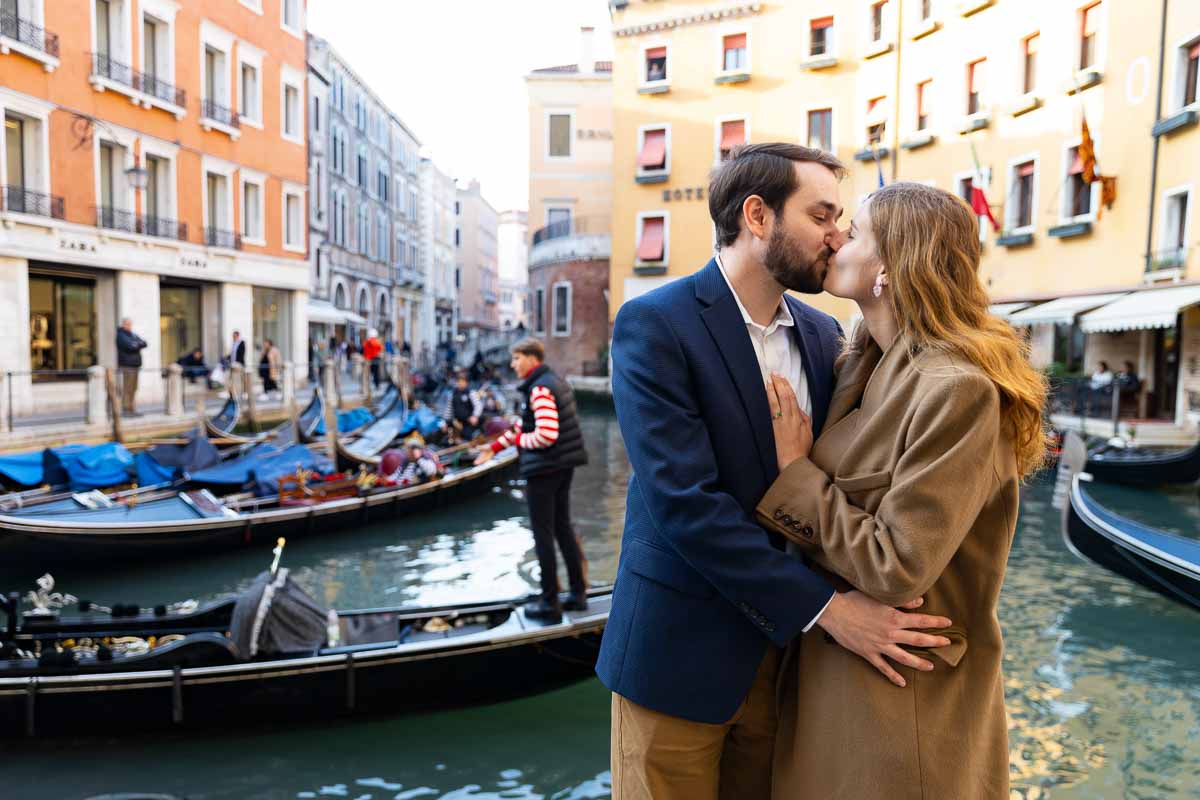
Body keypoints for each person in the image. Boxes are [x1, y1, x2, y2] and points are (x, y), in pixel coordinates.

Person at [597, 144, 952, 799]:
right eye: (821, 215)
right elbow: (685, 505)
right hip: (676, 656)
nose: (838, 234)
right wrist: (830, 610)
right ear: (757, 216)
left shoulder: (826, 339)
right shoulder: (654, 323)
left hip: (792, 670)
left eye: (843, 218)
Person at [759, 182, 1047, 798]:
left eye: (855, 231)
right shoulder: (860, 363)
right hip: (837, 681)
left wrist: (796, 473)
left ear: (891, 263)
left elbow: (898, 564)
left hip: (901, 707)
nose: (837, 237)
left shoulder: (957, 388)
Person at [474, 338, 588, 621]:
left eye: (516, 358)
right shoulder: (554, 382)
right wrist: (494, 447)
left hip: (545, 470)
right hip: (562, 466)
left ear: (531, 359)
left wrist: (522, 443)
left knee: (543, 535)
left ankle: (550, 601)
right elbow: (523, 425)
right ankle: (577, 594)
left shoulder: (539, 389)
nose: (512, 364)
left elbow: (545, 434)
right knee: (563, 529)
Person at [116, 318, 147, 417]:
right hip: (127, 365)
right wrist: (136, 344)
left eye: (130, 324)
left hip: (135, 365)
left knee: (134, 388)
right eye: (127, 324)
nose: (129, 326)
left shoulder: (132, 334)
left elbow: (144, 343)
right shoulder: (120, 335)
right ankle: (126, 409)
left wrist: (136, 344)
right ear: (123, 324)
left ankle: (131, 408)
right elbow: (130, 346)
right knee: (128, 388)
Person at [448, 372, 483, 439]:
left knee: (469, 436)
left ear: (466, 383)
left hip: (469, 422)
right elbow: (449, 408)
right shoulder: (453, 393)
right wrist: (447, 421)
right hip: (457, 422)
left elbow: (478, 406)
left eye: (462, 381)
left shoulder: (471, 393)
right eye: (459, 381)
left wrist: (475, 416)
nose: (460, 383)